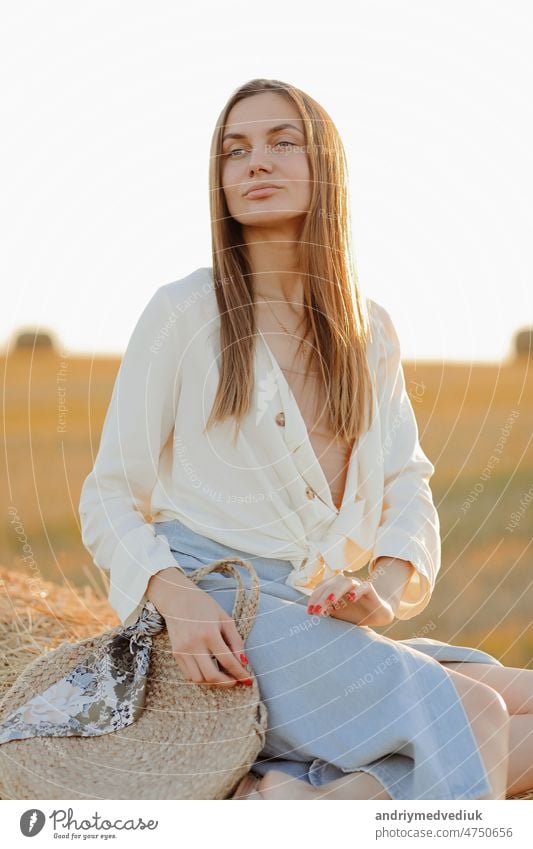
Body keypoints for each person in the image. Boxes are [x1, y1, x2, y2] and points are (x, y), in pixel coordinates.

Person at [78, 79, 533, 801]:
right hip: (224, 607)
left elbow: (405, 482)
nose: (254, 163)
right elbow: (108, 495)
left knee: (525, 705)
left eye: (281, 142)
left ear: (325, 167)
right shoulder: (182, 311)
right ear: (219, 180)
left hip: (314, 612)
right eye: (235, 150)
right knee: (472, 712)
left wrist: (380, 590)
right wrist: (178, 600)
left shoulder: (368, 328)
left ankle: (310, 801)